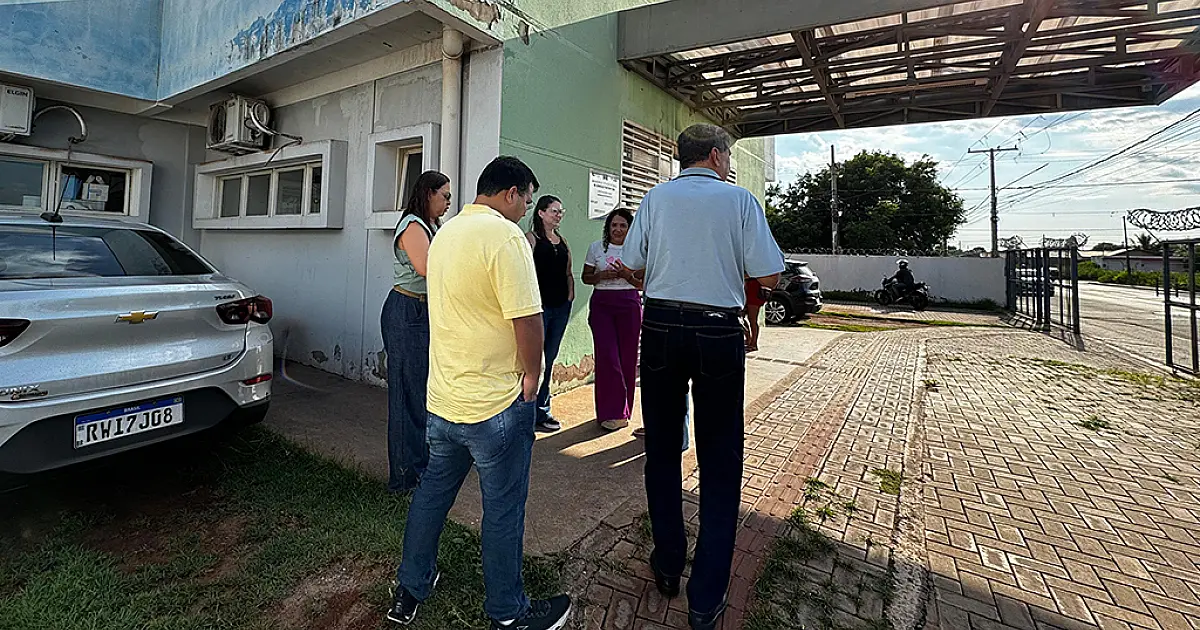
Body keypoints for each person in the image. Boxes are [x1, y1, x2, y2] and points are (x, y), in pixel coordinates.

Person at [388, 156, 571, 630]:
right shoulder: (505, 236)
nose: (526, 209)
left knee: (431, 495)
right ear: (510, 192)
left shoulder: (444, 233)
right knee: (503, 508)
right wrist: (533, 377)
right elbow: (528, 319)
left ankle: (410, 588)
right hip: (495, 407)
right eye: (527, 199)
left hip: (444, 402)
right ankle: (508, 613)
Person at [623, 124, 784, 630]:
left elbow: (631, 264)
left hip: (662, 326)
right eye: (729, 156)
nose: (730, 164)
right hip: (718, 332)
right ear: (715, 156)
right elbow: (772, 275)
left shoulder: (654, 198)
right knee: (719, 457)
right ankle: (706, 598)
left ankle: (668, 562)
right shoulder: (739, 201)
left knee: (663, 449)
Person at [381, 170, 451, 494]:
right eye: (445, 195)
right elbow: (428, 268)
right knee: (406, 396)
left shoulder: (431, 226)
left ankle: (419, 468)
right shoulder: (412, 225)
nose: (449, 202)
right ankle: (404, 479)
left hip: (420, 311)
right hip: (406, 311)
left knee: (420, 395)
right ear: (428, 194)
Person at [582, 208, 644, 431]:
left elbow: (643, 283)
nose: (617, 230)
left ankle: (623, 410)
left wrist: (625, 275)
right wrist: (601, 276)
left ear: (630, 228)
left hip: (629, 304)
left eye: (623, 226)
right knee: (607, 357)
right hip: (602, 305)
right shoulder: (596, 248)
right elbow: (585, 277)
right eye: (613, 225)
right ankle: (610, 411)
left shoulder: (637, 251)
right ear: (608, 228)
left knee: (627, 359)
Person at [525, 195, 574, 433]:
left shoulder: (562, 240)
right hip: (539, 309)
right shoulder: (532, 239)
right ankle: (526, 412)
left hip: (560, 307)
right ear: (541, 213)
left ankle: (542, 411)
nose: (558, 215)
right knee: (535, 361)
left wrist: (570, 295)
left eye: (560, 211)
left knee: (550, 358)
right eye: (554, 211)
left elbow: (568, 271)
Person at [742, 276, 768, 352]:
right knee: (741, 316)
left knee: (752, 319)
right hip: (745, 288)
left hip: (754, 289)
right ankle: (748, 338)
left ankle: (754, 343)